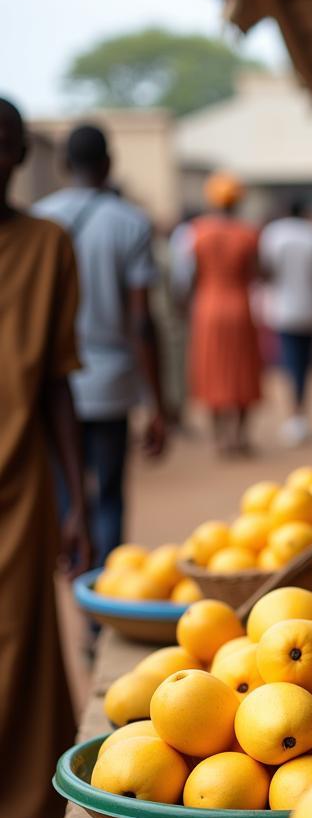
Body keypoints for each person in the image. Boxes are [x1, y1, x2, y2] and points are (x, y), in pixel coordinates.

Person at [0, 98, 91, 818]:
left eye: (4, 145)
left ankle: (7, 815)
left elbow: (60, 381)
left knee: (17, 646)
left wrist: (78, 501)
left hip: (19, 478)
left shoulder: (47, 243)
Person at [34, 124, 166, 563]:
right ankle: (104, 603)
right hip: (110, 381)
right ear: (108, 164)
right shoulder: (130, 222)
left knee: (66, 494)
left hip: (50, 382)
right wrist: (157, 403)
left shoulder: (39, 221)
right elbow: (142, 320)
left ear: (63, 164)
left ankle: (77, 592)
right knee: (108, 494)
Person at [188, 172, 262, 456]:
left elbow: (192, 275)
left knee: (212, 369)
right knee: (243, 369)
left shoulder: (198, 232)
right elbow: (256, 272)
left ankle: (218, 437)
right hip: (239, 306)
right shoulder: (247, 234)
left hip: (207, 307)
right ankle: (240, 437)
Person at [259, 198, 312, 446]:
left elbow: (264, 270)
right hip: (310, 309)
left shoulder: (273, 234)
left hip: (282, 310)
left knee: (290, 364)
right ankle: (302, 416)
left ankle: (294, 416)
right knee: (305, 365)